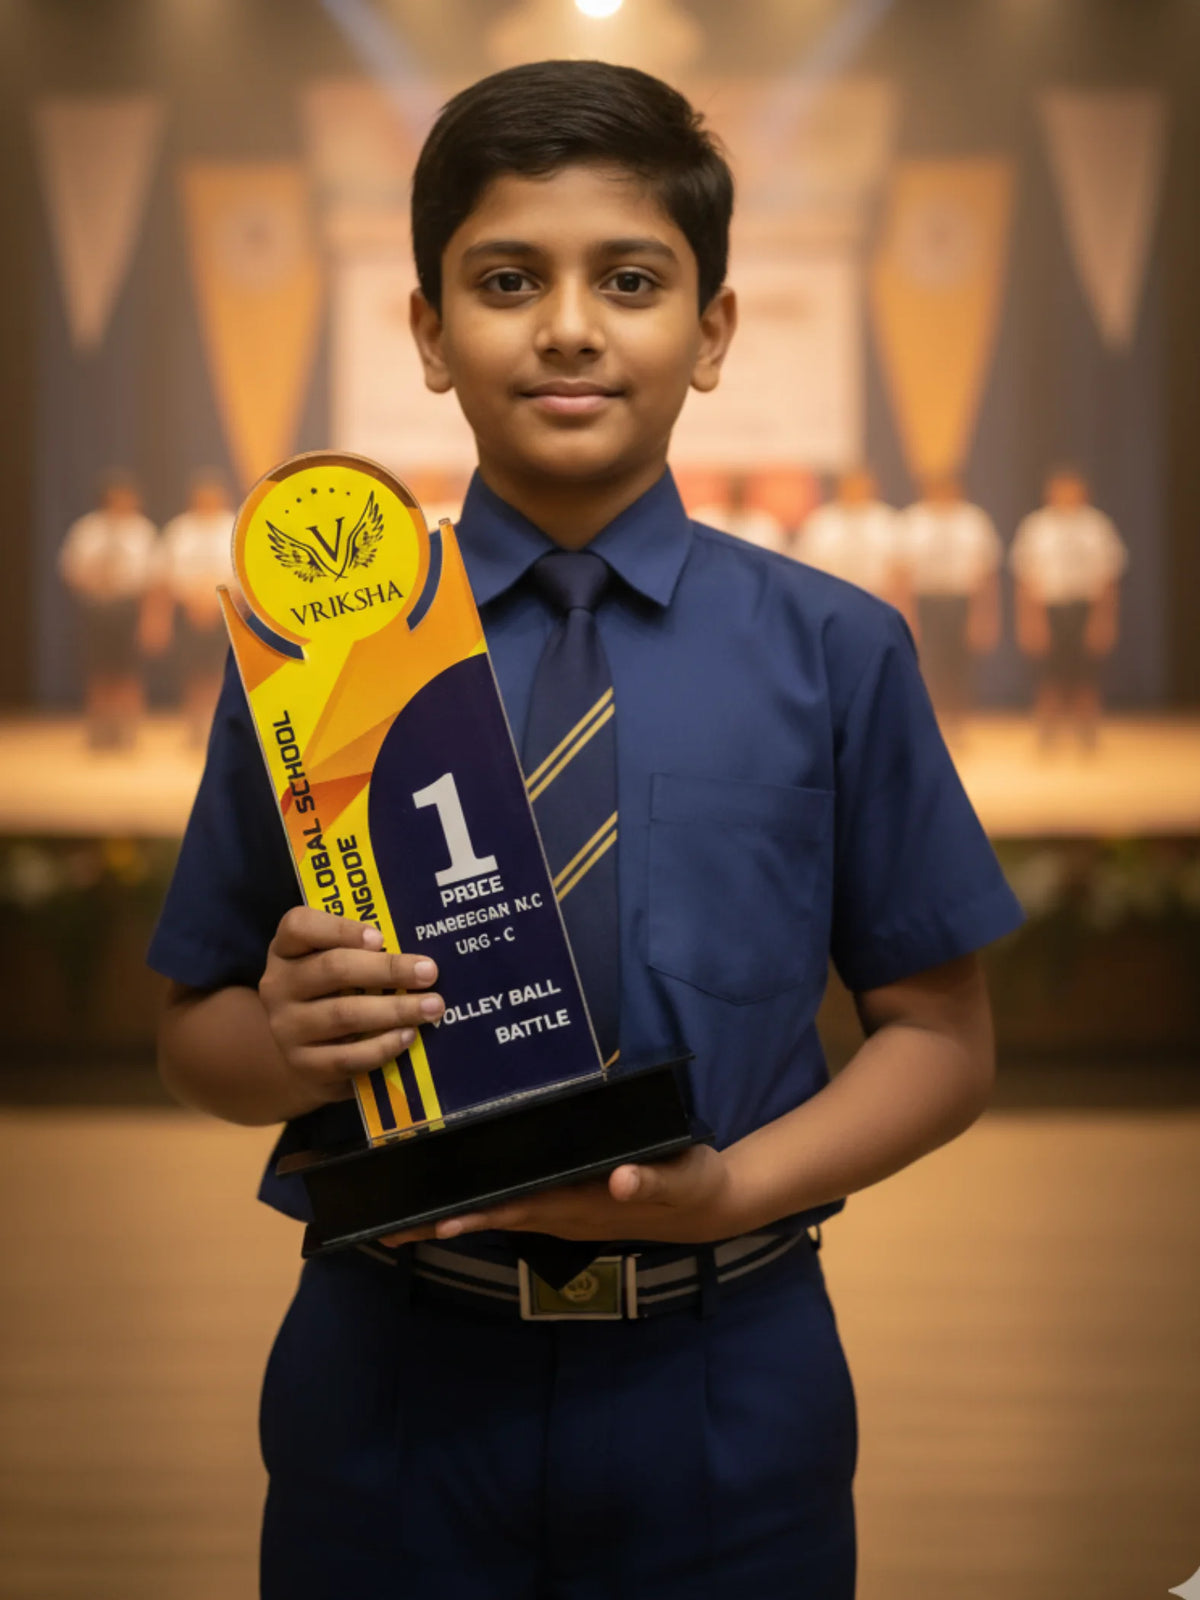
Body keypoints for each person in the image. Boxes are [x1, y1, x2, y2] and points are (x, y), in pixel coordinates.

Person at [149, 60, 1023, 1599]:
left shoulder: (838, 649)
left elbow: (944, 1041)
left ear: (714, 330)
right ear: (427, 331)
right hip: (388, 1385)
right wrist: (283, 1043)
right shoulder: (316, 652)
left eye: (630, 279)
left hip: (728, 1380)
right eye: (505, 279)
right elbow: (196, 1033)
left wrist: (735, 1193)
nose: (567, 324)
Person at [1009, 466, 1127, 752]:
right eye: (1060, 490)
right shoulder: (1036, 527)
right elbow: (1025, 580)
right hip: (1049, 607)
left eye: (1072, 489)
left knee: (1085, 676)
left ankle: (1087, 734)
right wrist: (1030, 621)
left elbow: (1108, 579)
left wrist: (1103, 621)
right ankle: (1047, 734)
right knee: (1048, 676)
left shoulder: (1096, 527)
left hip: (1083, 607)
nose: (1066, 496)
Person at [58, 471, 159, 749]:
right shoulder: (87, 530)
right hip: (97, 608)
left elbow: (155, 579)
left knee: (129, 673)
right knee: (98, 671)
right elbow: (70, 570)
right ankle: (99, 733)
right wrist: (93, 581)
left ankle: (128, 733)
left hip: (128, 608)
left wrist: (150, 620)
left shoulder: (142, 531)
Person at [897, 471, 1002, 738]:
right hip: (926, 599)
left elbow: (987, 574)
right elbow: (902, 573)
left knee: (958, 665)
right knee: (927, 665)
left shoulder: (973, 521)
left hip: (960, 600)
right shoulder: (913, 520)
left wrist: (983, 615)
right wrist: (907, 613)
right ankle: (930, 723)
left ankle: (958, 724)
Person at [151, 470, 236, 745]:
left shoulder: (233, 526)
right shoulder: (180, 529)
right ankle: (195, 727)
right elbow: (163, 577)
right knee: (193, 670)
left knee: (221, 670)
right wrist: (159, 620)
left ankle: (220, 726)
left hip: (227, 611)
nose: (207, 501)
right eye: (202, 497)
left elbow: (245, 576)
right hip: (187, 611)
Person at [794, 466, 910, 615]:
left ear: (872, 488)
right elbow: (805, 570)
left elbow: (901, 571)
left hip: (878, 602)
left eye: (860, 486)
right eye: (850, 486)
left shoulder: (887, 521)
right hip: (831, 602)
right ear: (840, 488)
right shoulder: (821, 522)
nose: (855, 491)